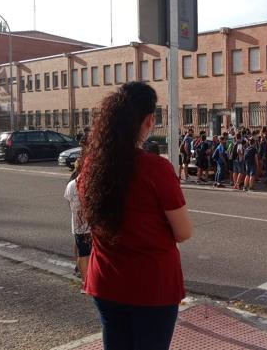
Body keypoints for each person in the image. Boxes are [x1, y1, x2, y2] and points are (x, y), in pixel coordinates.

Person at [78, 82, 192, 350]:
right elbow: (184, 232)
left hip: (106, 282)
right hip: (152, 287)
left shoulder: (91, 166)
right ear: (150, 120)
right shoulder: (156, 168)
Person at [64, 162, 90, 292]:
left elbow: (69, 204)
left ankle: (85, 281)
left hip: (78, 225)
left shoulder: (70, 185)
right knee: (87, 253)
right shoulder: (89, 184)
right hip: (89, 225)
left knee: (83, 253)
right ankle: (86, 281)